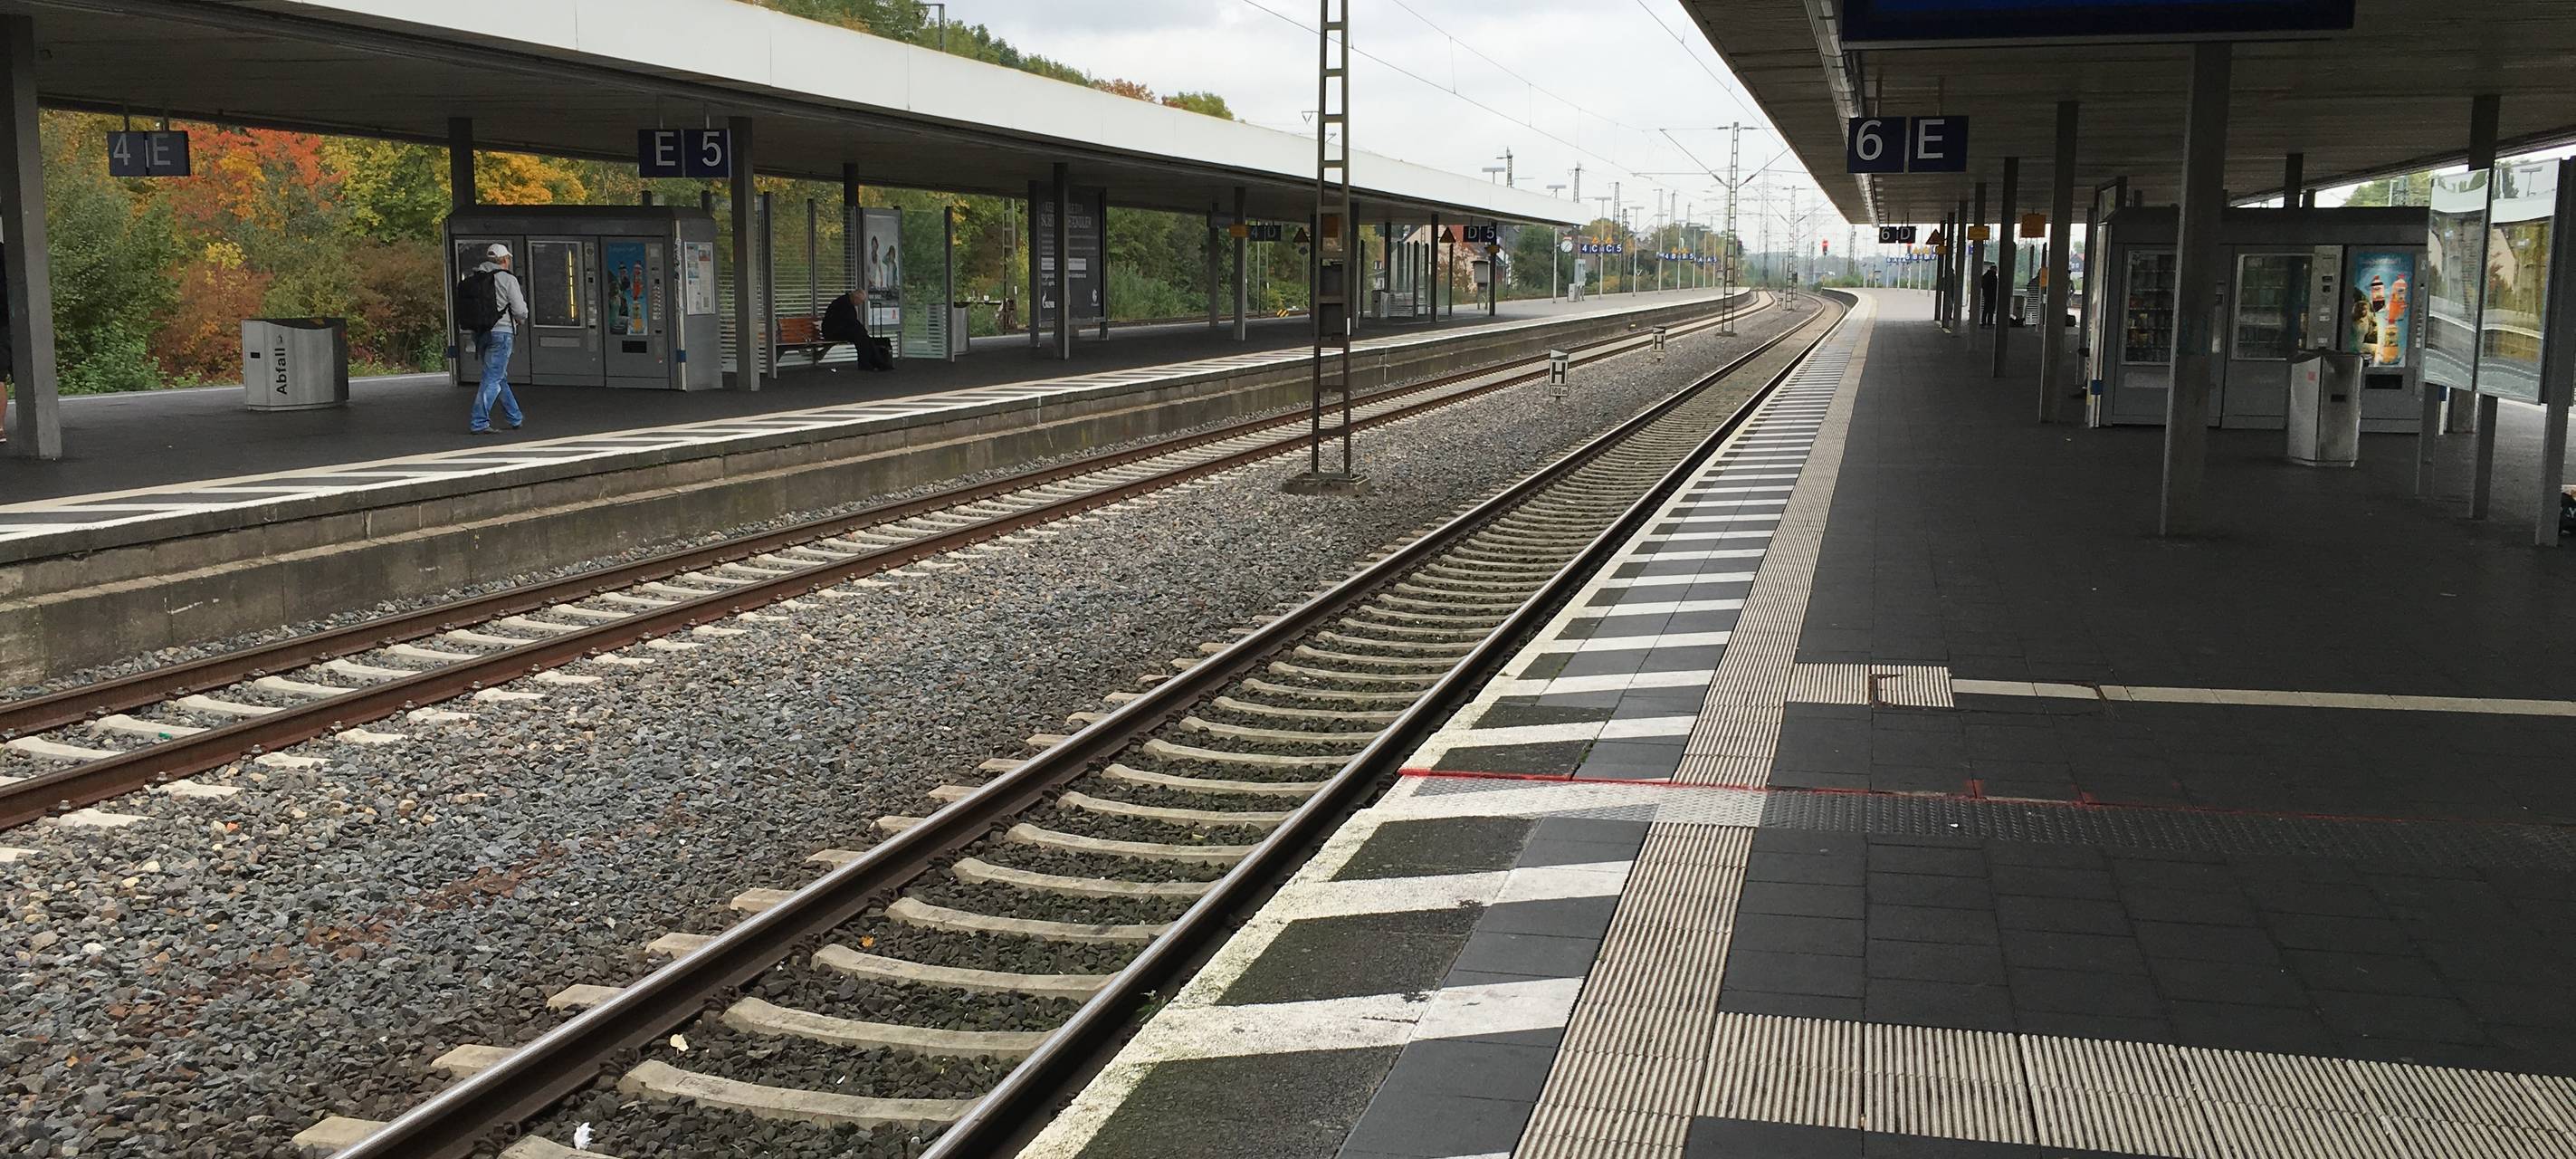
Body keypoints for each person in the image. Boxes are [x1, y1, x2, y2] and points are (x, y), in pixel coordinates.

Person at [467, 243, 529, 434]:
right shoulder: (507, 279)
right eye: (508, 259)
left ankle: (515, 417)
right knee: (493, 378)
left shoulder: (475, 278)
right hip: (502, 333)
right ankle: (479, 422)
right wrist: (520, 319)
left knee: (497, 376)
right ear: (504, 260)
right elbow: (520, 310)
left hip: (480, 332)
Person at [819, 289, 893, 371]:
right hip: (832, 332)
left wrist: (862, 330)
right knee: (860, 336)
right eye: (860, 301)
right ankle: (870, 363)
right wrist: (862, 330)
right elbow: (850, 321)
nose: (860, 303)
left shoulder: (847, 302)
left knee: (864, 337)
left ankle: (874, 362)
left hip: (839, 330)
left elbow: (851, 322)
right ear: (855, 298)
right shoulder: (843, 304)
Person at [1977, 263, 1999, 328]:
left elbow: (1982, 285)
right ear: (1994, 270)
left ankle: (1983, 322)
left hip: (1986, 294)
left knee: (1985, 309)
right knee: (1991, 310)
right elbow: (1995, 287)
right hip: (1992, 295)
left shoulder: (1985, 276)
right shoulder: (1993, 276)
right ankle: (1989, 323)